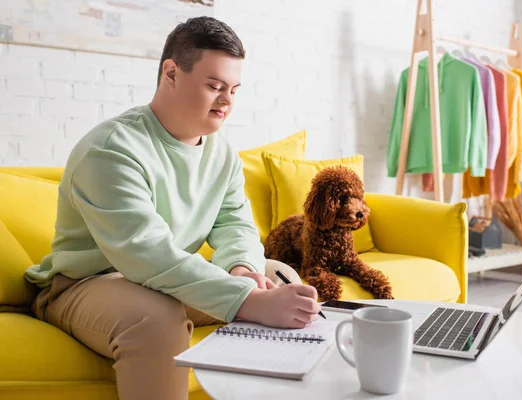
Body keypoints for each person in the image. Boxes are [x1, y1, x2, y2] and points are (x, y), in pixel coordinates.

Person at [24, 16, 321, 400]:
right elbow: (146, 253)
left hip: (162, 280)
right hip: (87, 284)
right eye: (214, 86)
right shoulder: (111, 150)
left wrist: (244, 271)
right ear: (171, 73)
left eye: (233, 88)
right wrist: (246, 301)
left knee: (280, 278)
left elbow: (235, 224)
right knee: (154, 318)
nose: (227, 101)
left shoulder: (222, 153)